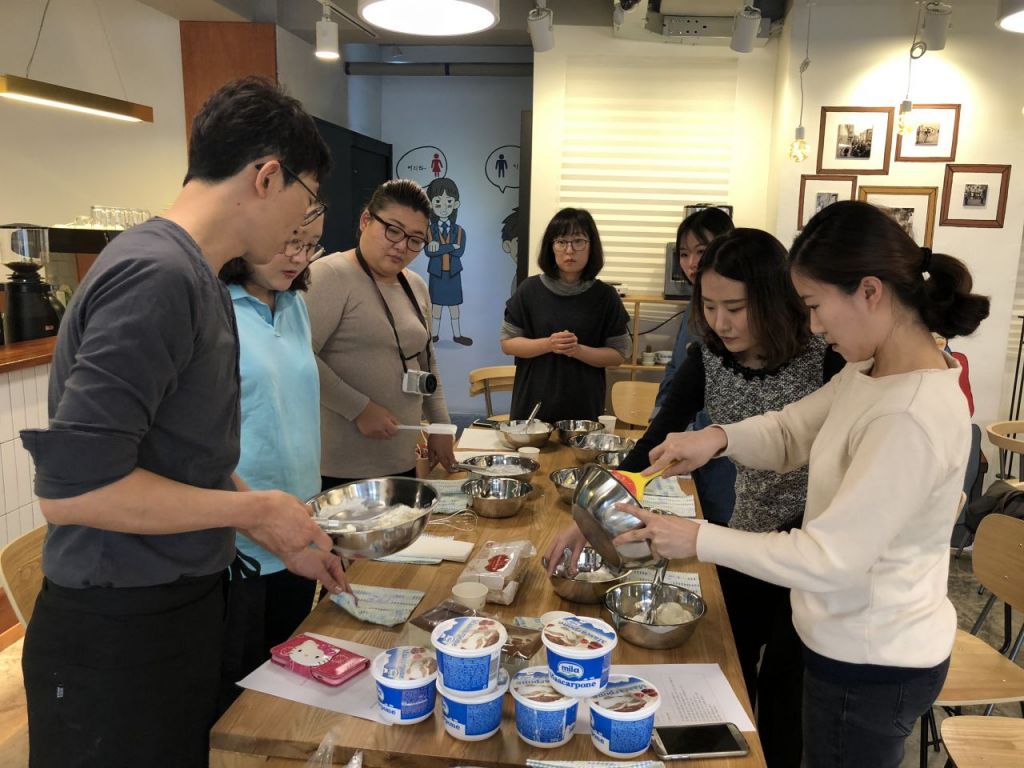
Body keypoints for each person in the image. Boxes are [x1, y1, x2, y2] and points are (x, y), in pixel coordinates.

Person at [18, 77, 348, 768]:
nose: (304, 225)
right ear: (267, 177)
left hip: (177, 606)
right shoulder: (157, 275)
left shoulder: (199, 276)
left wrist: (268, 526)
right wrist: (253, 508)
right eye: (308, 199)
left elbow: (187, 456)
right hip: (120, 629)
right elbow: (74, 491)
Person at [611, 201, 990, 768]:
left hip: (871, 657)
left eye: (815, 305)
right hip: (844, 636)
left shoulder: (908, 414)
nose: (813, 326)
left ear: (869, 292)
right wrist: (716, 438)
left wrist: (697, 538)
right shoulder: (871, 372)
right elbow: (792, 430)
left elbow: (828, 557)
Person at [549, 228, 844, 768]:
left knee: (785, 689)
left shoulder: (826, 357)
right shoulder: (708, 356)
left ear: (774, 299)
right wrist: (589, 513)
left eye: (736, 308)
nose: (721, 322)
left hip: (810, 545)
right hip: (742, 534)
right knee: (730, 663)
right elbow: (652, 444)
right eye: (709, 307)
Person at [217, 216, 344, 711]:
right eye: (289, 241)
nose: (298, 257)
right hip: (241, 534)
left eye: (310, 245)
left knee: (288, 683)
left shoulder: (294, 305)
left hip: (299, 524)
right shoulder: (216, 308)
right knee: (239, 695)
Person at [306, 179, 456, 489]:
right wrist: (359, 408)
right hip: (340, 468)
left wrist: (441, 425)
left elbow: (426, 361)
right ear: (366, 221)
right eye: (393, 230)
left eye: (415, 239)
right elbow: (299, 357)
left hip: (400, 460)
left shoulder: (415, 285)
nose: (402, 246)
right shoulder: (329, 274)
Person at [501, 208, 629, 423]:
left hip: (584, 410)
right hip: (532, 407)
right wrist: (549, 344)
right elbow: (508, 343)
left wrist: (577, 350)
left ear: (591, 246)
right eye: (561, 242)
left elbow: (619, 354)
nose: (569, 250)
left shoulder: (606, 296)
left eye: (578, 241)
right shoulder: (529, 290)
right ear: (551, 247)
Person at [655, 207, 736, 524]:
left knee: (721, 523)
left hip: (726, 454)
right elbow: (675, 373)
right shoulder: (693, 306)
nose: (691, 263)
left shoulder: (744, 314)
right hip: (690, 447)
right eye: (684, 254)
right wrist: (663, 419)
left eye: (702, 251)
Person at [425, 177, 472, 345]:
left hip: (453, 273)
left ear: (456, 204)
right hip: (437, 273)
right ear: (430, 204)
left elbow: (459, 251)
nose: (444, 208)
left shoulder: (459, 231)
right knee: (436, 306)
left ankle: (457, 335)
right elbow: (428, 252)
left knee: (454, 306)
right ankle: (434, 335)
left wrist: (439, 248)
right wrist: (450, 246)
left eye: (449, 202)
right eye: (438, 202)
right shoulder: (428, 230)